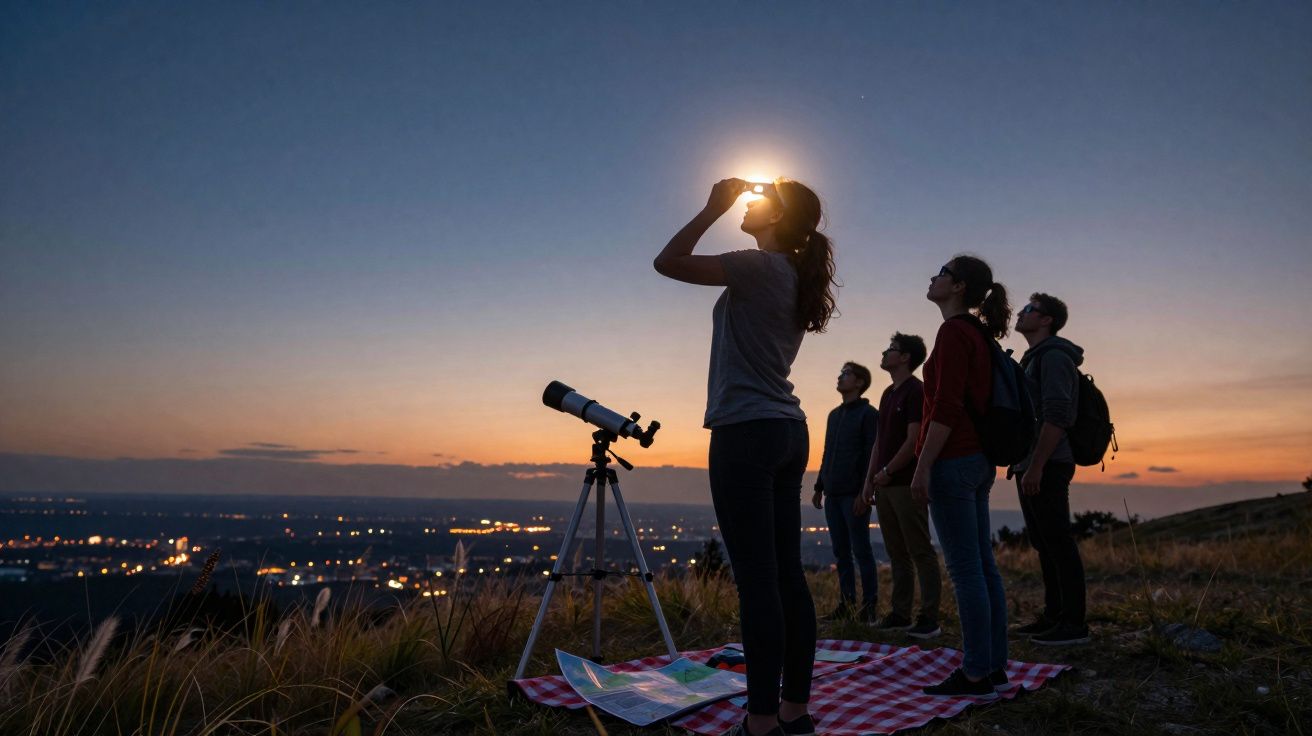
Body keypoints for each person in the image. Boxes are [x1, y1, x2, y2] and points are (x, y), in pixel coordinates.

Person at [654, 177, 836, 736]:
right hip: (788, 430)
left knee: (757, 581)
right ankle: (793, 713)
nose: (751, 203)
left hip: (747, 433)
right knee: (785, 578)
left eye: (763, 199)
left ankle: (759, 724)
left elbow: (669, 261)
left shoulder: (760, 266)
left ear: (780, 218)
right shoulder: (786, 272)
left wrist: (713, 207)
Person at [910, 254, 1011, 698]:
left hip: (953, 459)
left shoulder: (953, 332)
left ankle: (974, 674)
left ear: (959, 286)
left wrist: (923, 464)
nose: (933, 277)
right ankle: (993, 665)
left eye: (942, 273)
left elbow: (945, 408)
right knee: (983, 568)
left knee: (966, 569)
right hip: (979, 461)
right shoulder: (978, 334)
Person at [1010, 292, 1090, 645]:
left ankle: (1074, 624)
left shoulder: (1054, 356)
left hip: (1049, 462)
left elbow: (1058, 416)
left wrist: (1037, 466)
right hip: (1033, 462)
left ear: (1046, 320)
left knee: (1058, 542)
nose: (1021, 313)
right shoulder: (1035, 358)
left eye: (1029, 309)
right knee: (1045, 543)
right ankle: (1054, 615)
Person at [860, 333, 942, 640]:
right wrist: (870, 479)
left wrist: (887, 471)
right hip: (884, 484)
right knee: (897, 552)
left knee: (920, 550)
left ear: (905, 357)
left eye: (891, 349)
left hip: (905, 483)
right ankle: (900, 612)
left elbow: (914, 440)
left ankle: (929, 618)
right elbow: (879, 441)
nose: (884, 353)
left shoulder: (915, 391)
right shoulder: (887, 394)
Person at [811, 361, 879, 621]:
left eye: (846, 374)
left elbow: (870, 454)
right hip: (833, 493)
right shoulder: (834, 415)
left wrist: (865, 492)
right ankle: (846, 604)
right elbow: (828, 452)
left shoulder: (868, 414)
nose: (840, 377)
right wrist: (819, 486)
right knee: (841, 551)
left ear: (860, 382)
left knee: (861, 550)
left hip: (854, 494)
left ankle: (869, 607)